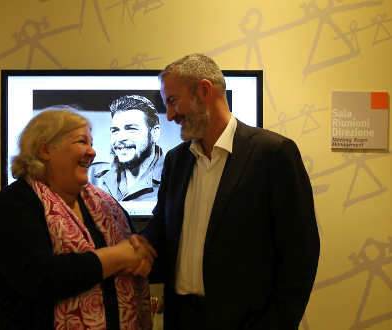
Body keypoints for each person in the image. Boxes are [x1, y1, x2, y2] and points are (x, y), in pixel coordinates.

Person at [132, 54, 320, 330]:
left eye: (173, 101)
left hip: (247, 322)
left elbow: (300, 252)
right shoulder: (176, 160)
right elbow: (162, 224)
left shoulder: (273, 154)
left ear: (204, 90)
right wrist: (140, 244)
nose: (170, 115)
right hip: (182, 318)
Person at [0, 108, 154, 330]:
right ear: (45, 149)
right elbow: (41, 277)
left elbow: (133, 250)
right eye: (82, 142)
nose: (92, 152)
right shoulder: (13, 204)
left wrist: (139, 259)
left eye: (92, 143)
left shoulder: (106, 205)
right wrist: (118, 256)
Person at [89, 95, 164, 202]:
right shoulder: (91, 176)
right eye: (115, 130)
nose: (120, 138)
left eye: (131, 129)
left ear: (154, 133)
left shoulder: (175, 178)